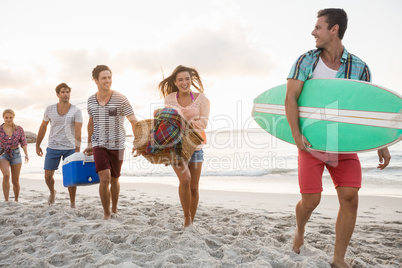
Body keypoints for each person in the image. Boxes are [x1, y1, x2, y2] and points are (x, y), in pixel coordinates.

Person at [285, 8, 391, 268]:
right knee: (311, 202)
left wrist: (382, 143)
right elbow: (290, 98)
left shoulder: (360, 68)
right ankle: (299, 231)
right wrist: (296, 134)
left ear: (334, 30)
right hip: (311, 142)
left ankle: (338, 259)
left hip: (344, 143)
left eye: (318, 27)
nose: (313, 32)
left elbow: (367, 111)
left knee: (350, 197)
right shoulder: (305, 61)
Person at [158, 65, 210, 228]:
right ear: (175, 82)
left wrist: (181, 124)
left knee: (194, 187)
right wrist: (186, 124)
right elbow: (168, 123)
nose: (184, 82)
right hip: (175, 148)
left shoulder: (202, 99)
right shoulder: (170, 99)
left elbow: (203, 123)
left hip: (196, 146)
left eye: (187, 79)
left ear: (191, 80)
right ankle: (186, 217)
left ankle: (190, 222)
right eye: (180, 79)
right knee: (185, 180)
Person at [83, 65, 138, 220]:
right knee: (104, 178)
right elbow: (91, 123)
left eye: (109, 77)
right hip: (99, 144)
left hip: (118, 144)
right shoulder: (91, 101)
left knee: (114, 179)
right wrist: (89, 144)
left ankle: (114, 208)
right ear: (96, 80)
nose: (107, 81)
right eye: (104, 78)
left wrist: (138, 141)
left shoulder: (121, 98)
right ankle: (106, 213)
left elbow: (133, 121)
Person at [36, 83, 83, 208]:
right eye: (63, 92)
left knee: (71, 178)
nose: (65, 94)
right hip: (53, 146)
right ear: (57, 94)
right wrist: (37, 144)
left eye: (67, 92)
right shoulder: (49, 109)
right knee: (47, 176)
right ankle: (52, 191)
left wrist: (77, 149)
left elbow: (78, 131)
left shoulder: (76, 111)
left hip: (70, 148)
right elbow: (43, 126)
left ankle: (72, 203)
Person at [0, 109, 29, 202]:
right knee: (6, 175)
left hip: (16, 153)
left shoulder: (19, 129)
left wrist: (26, 154)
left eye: (10, 118)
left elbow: (23, 142)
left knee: (15, 180)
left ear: (13, 117)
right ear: (3, 117)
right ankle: (6, 200)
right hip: (3, 153)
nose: (8, 119)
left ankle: (16, 200)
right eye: (6, 118)